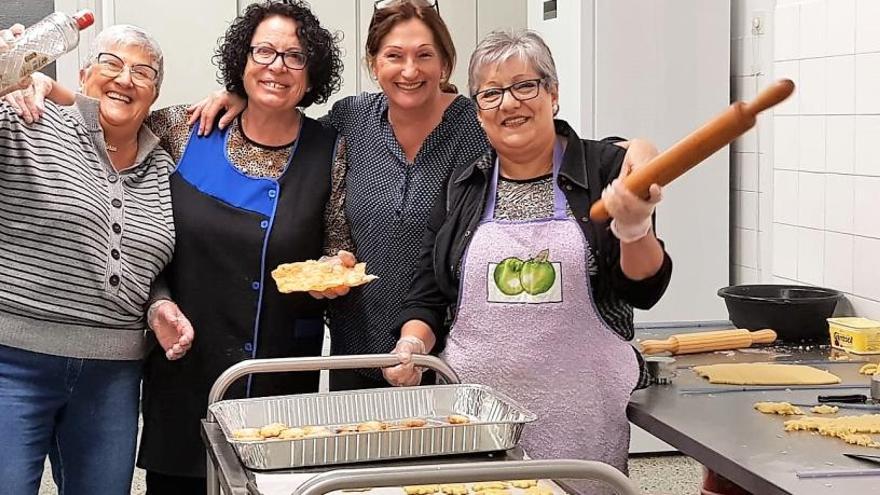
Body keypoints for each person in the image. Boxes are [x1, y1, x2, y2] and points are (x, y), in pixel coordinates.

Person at [186, 0, 660, 392]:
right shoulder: (350, 120)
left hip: (450, 356)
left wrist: (632, 149)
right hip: (358, 346)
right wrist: (243, 98)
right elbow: (288, 130)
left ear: (446, 64)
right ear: (374, 64)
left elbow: (543, 143)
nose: (409, 70)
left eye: (424, 55)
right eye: (394, 56)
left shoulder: (477, 123)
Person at [4, 1, 349, 491]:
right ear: (242, 61)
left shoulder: (329, 148)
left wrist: (335, 268)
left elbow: (338, 244)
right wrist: (32, 81)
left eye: (294, 56)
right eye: (264, 52)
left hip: (275, 376)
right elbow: (107, 114)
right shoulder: (184, 128)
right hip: (182, 374)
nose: (277, 65)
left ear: (312, 72)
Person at [383, 30, 673, 493]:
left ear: (553, 94)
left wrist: (635, 228)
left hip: (582, 419)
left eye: (525, 86)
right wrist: (412, 346)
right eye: (492, 94)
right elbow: (428, 293)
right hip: (475, 418)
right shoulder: (464, 185)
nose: (509, 103)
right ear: (479, 112)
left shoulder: (603, 170)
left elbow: (644, 288)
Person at [0, 23, 184, 495]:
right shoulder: (28, 118)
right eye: (112, 63)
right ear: (84, 74)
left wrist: (158, 303)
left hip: (113, 375)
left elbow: (157, 259)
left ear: (155, 93)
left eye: (143, 72)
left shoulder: (164, 166)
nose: (126, 79)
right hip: (13, 362)